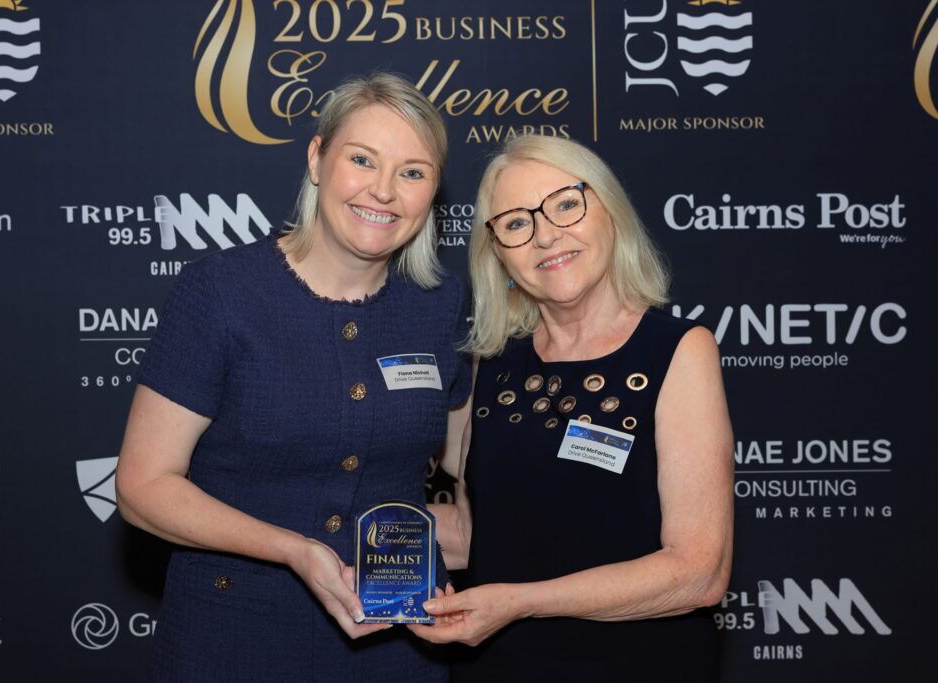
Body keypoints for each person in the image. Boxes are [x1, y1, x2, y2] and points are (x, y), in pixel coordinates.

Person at [115, 72, 471, 682]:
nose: (383, 191)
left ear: (433, 191)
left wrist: (476, 532)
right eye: (362, 160)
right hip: (233, 636)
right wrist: (295, 549)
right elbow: (143, 487)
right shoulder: (221, 294)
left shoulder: (439, 303)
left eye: (412, 172)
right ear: (317, 159)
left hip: (397, 638)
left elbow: (474, 461)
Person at [409, 135, 734, 681]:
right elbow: (472, 532)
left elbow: (698, 573)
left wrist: (520, 601)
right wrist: (340, 522)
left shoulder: (678, 350)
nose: (545, 235)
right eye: (516, 223)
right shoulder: (494, 364)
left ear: (610, 212)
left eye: (565, 204)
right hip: (501, 668)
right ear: (499, 254)